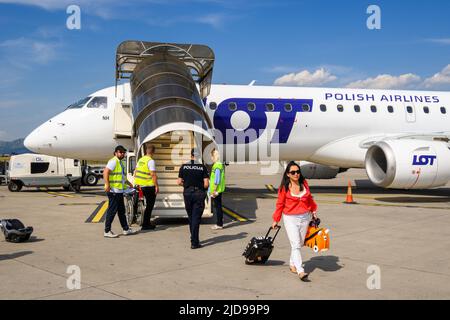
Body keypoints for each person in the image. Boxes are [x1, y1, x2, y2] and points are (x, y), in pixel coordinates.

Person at [271, 161, 318, 281]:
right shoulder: (284, 188)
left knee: (300, 243)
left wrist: (313, 211)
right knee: (296, 244)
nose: (296, 174)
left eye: (298, 171)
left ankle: (292, 263)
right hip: (290, 218)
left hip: (305, 217)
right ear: (288, 174)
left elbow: (309, 199)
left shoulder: (304, 183)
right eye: (293, 172)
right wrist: (276, 219)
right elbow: (280, 204)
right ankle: (300, 271)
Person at [177, 148, 209, 249]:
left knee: (191, 217)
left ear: (191, 155)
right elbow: (206, 184)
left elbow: (178, 182)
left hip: (187, 193)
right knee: (196, 218)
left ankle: (193, 238)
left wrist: (186, 184)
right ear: (199, 156)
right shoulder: (202, 167)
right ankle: (194, 242)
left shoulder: (184, 166)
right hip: (198, 193)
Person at [103, 145, 137, 238]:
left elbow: (121, 177)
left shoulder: (120, 162)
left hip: (118, 191)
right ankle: (107, 230)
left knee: (121, 211)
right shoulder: (113, 161)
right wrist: (107, 184)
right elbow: (105, 172)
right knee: (112, 211)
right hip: (113, 190)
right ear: (116, 153)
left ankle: (126, 229)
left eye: (123, 152)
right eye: (120, 152)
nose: (122, 154)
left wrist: (128, 183)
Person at [134, 144, 158, 230]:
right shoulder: (150, 161)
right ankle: (146, 224)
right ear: (153, 152)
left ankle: (135, 218)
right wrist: (156, 186)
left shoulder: (141, 160)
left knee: (138, 202)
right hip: (148, 186)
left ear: (147, 151)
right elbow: (153, 174)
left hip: (139, 185)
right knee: (149, 205)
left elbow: (135, 172)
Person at [209, 148, 226, 230]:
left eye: (211, 156)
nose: (211, 158)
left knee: (218, 207)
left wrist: (214, 190)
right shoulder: (219, 165)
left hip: (216, 190)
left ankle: (219, 224)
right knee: (218, 206)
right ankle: (220, 222)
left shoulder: (217, 166)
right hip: (218, 190)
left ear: (214, 156)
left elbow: (217, 179)